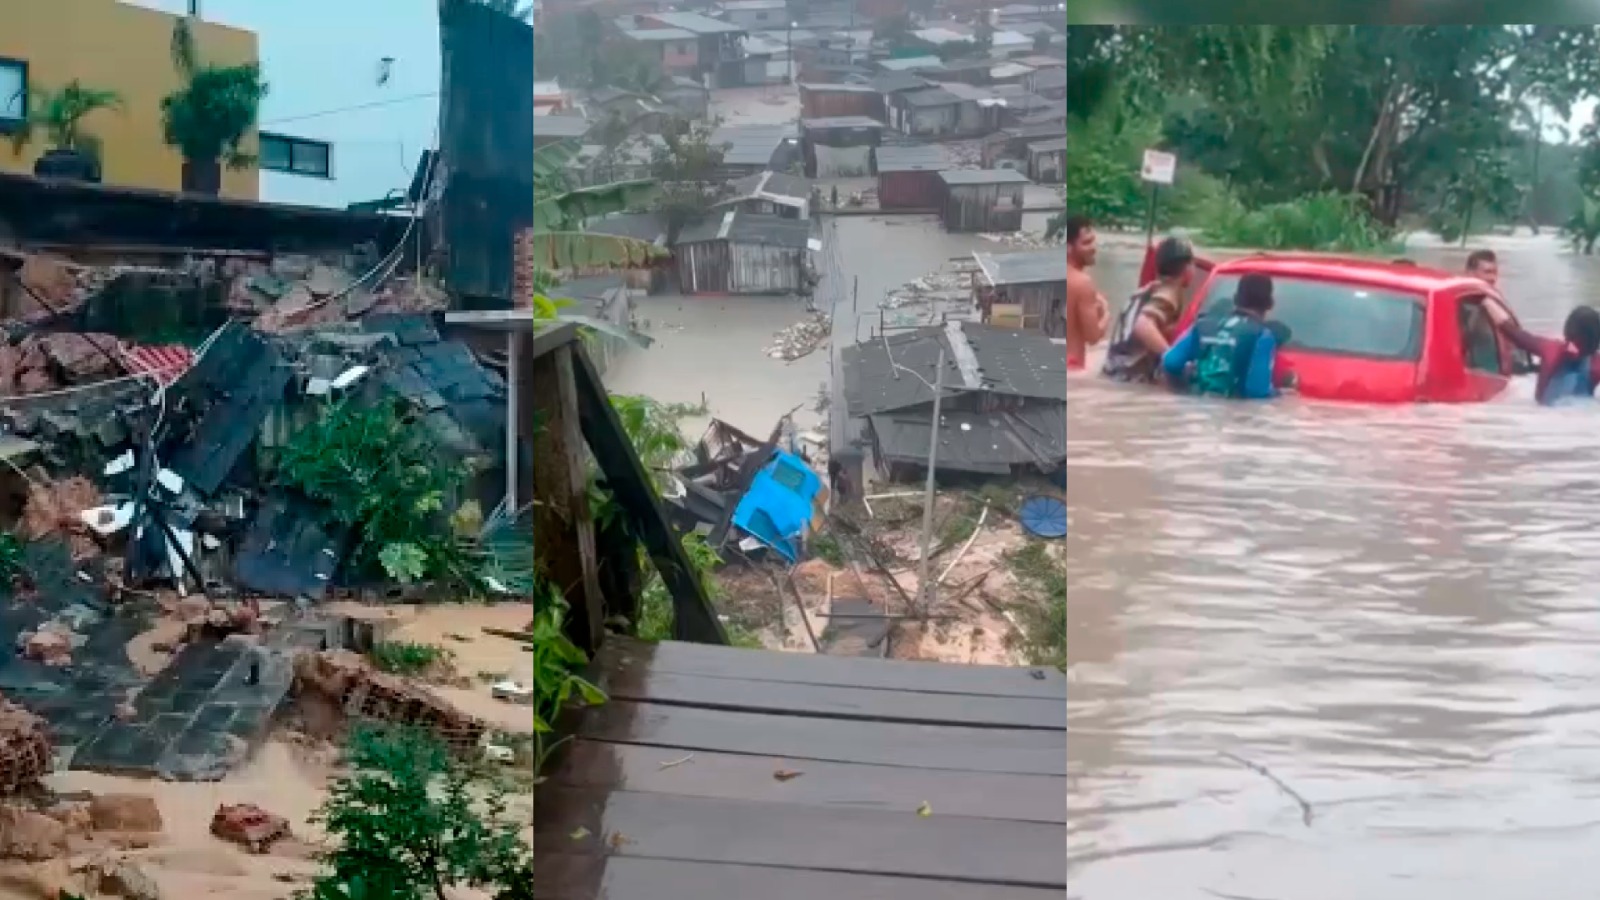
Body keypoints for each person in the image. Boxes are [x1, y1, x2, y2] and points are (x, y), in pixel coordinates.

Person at [1161, 273, 1283, 399]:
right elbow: (1256, 391)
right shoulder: (1262, 336)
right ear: (1270, 304)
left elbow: (1170, 362)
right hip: (1229, 413)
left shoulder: (1203, 325)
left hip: (1193, 410)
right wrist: (1281, 394)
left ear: (1235, 299)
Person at [1102, 236, 1194, 383]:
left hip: (1112, 372)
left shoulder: (1142, 293)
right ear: (1187, 269)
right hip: (1133, 379)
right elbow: (1143, 324)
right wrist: (1171, 358)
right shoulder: (1169, 294)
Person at [1483, 299, 1600, 404]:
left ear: (1568, 329)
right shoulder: (1596, 365)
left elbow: (1512, 332)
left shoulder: (1550, 349)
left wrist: (1486, 301)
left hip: (1544, 418)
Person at [1065, 215, 1109, 369]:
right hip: (1072, 370)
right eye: (1086, 243)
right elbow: (1093, 337)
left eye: (1093, 240)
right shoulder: (1082, 283)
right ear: (1068, 247)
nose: (1094, 247)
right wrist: (1105, 311)